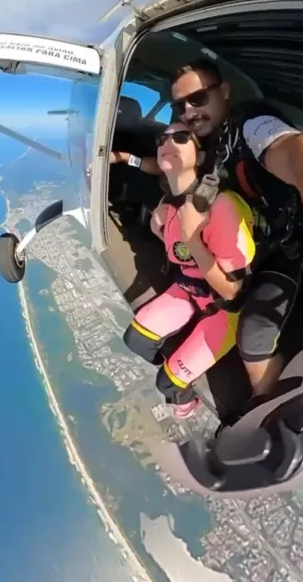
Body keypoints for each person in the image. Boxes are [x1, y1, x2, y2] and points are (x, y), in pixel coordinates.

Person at [113, 59, 303, 403]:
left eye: (198, 98)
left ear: (224, 92)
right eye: (180, 105)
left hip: (278, 252)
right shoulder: (204, 144)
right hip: (228, 244)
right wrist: (125, 159)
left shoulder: (251, 127)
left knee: (253, 338)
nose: (189, 112)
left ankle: (262, 403)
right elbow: (167, 164)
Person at [122, 121, 256, 419]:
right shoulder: (168, 204)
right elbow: (180, 254)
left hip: (224, 308)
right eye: (162, 139)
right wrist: (159, 230)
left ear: (200, 155)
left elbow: (233, 293)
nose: (167, 143)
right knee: (135, 339)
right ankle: (181, 359)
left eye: (181, 137)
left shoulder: (221, 207)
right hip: (187, 288)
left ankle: (186, 398)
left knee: (167, 384)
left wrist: (192, 238)